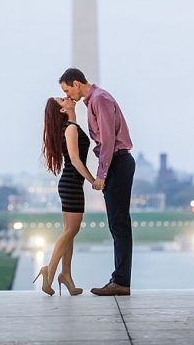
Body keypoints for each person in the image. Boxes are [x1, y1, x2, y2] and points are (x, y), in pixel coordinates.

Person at [59, 68, 135, 296]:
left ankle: (121, 281)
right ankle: (119, 279)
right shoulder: (93, 100)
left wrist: (101, 174)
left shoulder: (99, 99)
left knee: (119, 224)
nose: (68, 95)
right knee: (117, 223)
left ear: (76, 83)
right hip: (117, 163)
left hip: (117, 163)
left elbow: (109, 140)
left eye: (66, 90)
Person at [33, 96, 95, 296]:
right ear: (61, 110)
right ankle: (49, 271)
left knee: (70, 231)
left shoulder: (71, 127)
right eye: (62, 99)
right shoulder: (70, 128)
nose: (67, 97)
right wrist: (93, 180)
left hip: (70, 183)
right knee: (71, 231)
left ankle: (66, 275)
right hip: (71, 184)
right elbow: (76, 161)